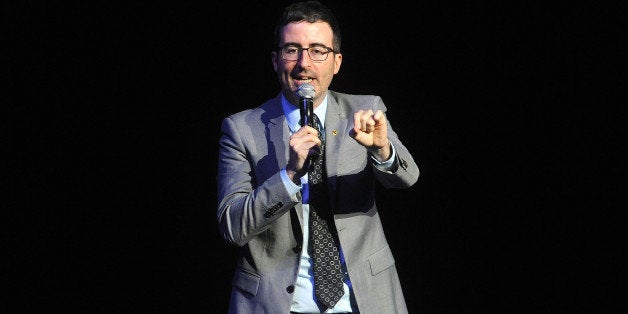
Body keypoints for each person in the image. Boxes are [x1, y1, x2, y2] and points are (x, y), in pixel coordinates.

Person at [216, 1, 420, 313]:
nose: (304, 63)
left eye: (317, 51)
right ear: (275, 60)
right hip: (277, 303)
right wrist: (289, 175)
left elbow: (407, 177)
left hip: (364, 300)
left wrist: (382, 150)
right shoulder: (242, 128)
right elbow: (232, 227)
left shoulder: (365, 109)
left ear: (336, 62)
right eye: (292, 50)